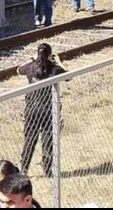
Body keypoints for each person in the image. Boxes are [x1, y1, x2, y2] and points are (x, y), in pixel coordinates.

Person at [17, 43, 67, 178]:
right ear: (50, 55)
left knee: (29, 140)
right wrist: (58, 61)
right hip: (48, 109)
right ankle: (47, 169)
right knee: (48, 140)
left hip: (31, 108)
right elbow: (69, 76)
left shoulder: (32, 67)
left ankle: (24, 169)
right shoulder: (54, 68)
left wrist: (33, 59)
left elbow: (19, 70)